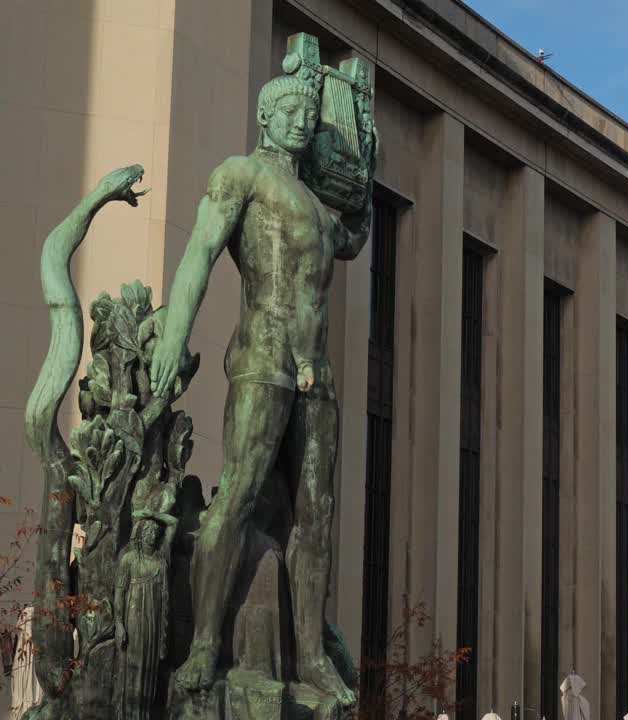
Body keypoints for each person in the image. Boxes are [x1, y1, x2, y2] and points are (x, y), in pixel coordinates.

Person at [149, 72, 372, 705]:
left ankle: (309, 654)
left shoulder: (319, 206)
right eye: (288, 109)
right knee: (238, 496)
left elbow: (353, 237)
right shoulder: (241, 175)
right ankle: (203, 646)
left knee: (316, 517)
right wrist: (173, 335)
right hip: (262, 357)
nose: (301, 120)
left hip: (315, 371)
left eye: (308, 111)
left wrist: (365, 163)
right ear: (264, 115)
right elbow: (200, 250)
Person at [114, 515, 174, 719]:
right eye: (147, 532)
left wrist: (163, 636)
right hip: (133, 620)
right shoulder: (129, 559)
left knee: (149, 670)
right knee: (132, 668)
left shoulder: (161, 563)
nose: (151, 536)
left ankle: (145, 715)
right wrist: (119, 624)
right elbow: (119, 593)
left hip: (153, 622)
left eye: (155, 533)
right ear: (141, 534)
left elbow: (165, 599)